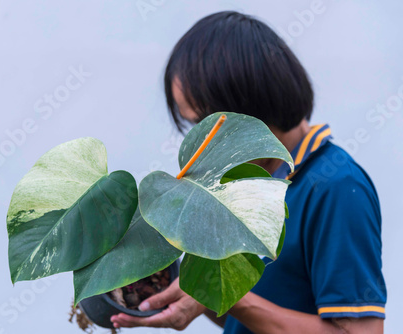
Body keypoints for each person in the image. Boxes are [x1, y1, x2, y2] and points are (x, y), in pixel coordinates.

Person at [111, 11, 386, 333]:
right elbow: (253, 316)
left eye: (207, 125)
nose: (200, 145)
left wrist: (225, 290)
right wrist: (193, 296)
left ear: (250, 102)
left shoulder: (334, 186)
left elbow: (361, 331)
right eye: (192, 128)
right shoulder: (249, 184)